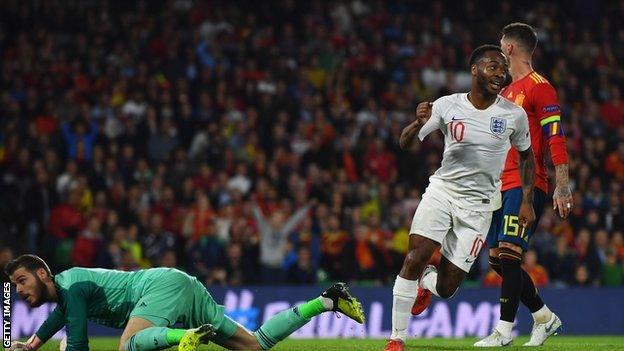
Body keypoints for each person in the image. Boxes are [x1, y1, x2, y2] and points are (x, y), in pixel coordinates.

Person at [384, 44, 536, 351]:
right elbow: (405, 143)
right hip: (443, 191)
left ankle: (427, 282)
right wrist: (416, 122)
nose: (500, 73)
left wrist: (527, 201)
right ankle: (396, 339)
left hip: (479, 206)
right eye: (493, 67)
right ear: (475, 70)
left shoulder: (513, 115)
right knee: (414, 257)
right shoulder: (446, 105)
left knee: (447, 287)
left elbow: (527, 158)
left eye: (503, 68)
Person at [6, 254, 364, 351]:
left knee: (128, 345)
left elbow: (78, 342)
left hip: (159, 285)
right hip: (181, 285)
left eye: (22, 281)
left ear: (42, 274)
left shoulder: (72, 288)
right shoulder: (66, 292)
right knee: (253, 345)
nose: (18, 291)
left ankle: (185, 336)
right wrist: (34, 345)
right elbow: (58, 319)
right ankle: (327, 301)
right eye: (13, 286)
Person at [474, 23, 571, 347]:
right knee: (498, 261)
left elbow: (555, 136)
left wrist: (562, 184)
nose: (498, 51)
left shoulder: (539, 87)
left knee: (511, 255)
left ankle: (504, 331)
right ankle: (543, 316)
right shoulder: (504, 92)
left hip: (526, 184)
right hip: (499, 186)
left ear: (510, 49)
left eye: (501, 46)